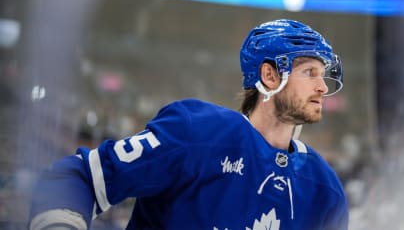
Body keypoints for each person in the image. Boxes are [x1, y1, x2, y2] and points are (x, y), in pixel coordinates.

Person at [29, 19, 348, 230]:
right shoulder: (199, 134)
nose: (322, 87)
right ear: (269, 76)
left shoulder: (324, 189)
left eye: (323, 76)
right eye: (309, 73)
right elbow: (78, 177)